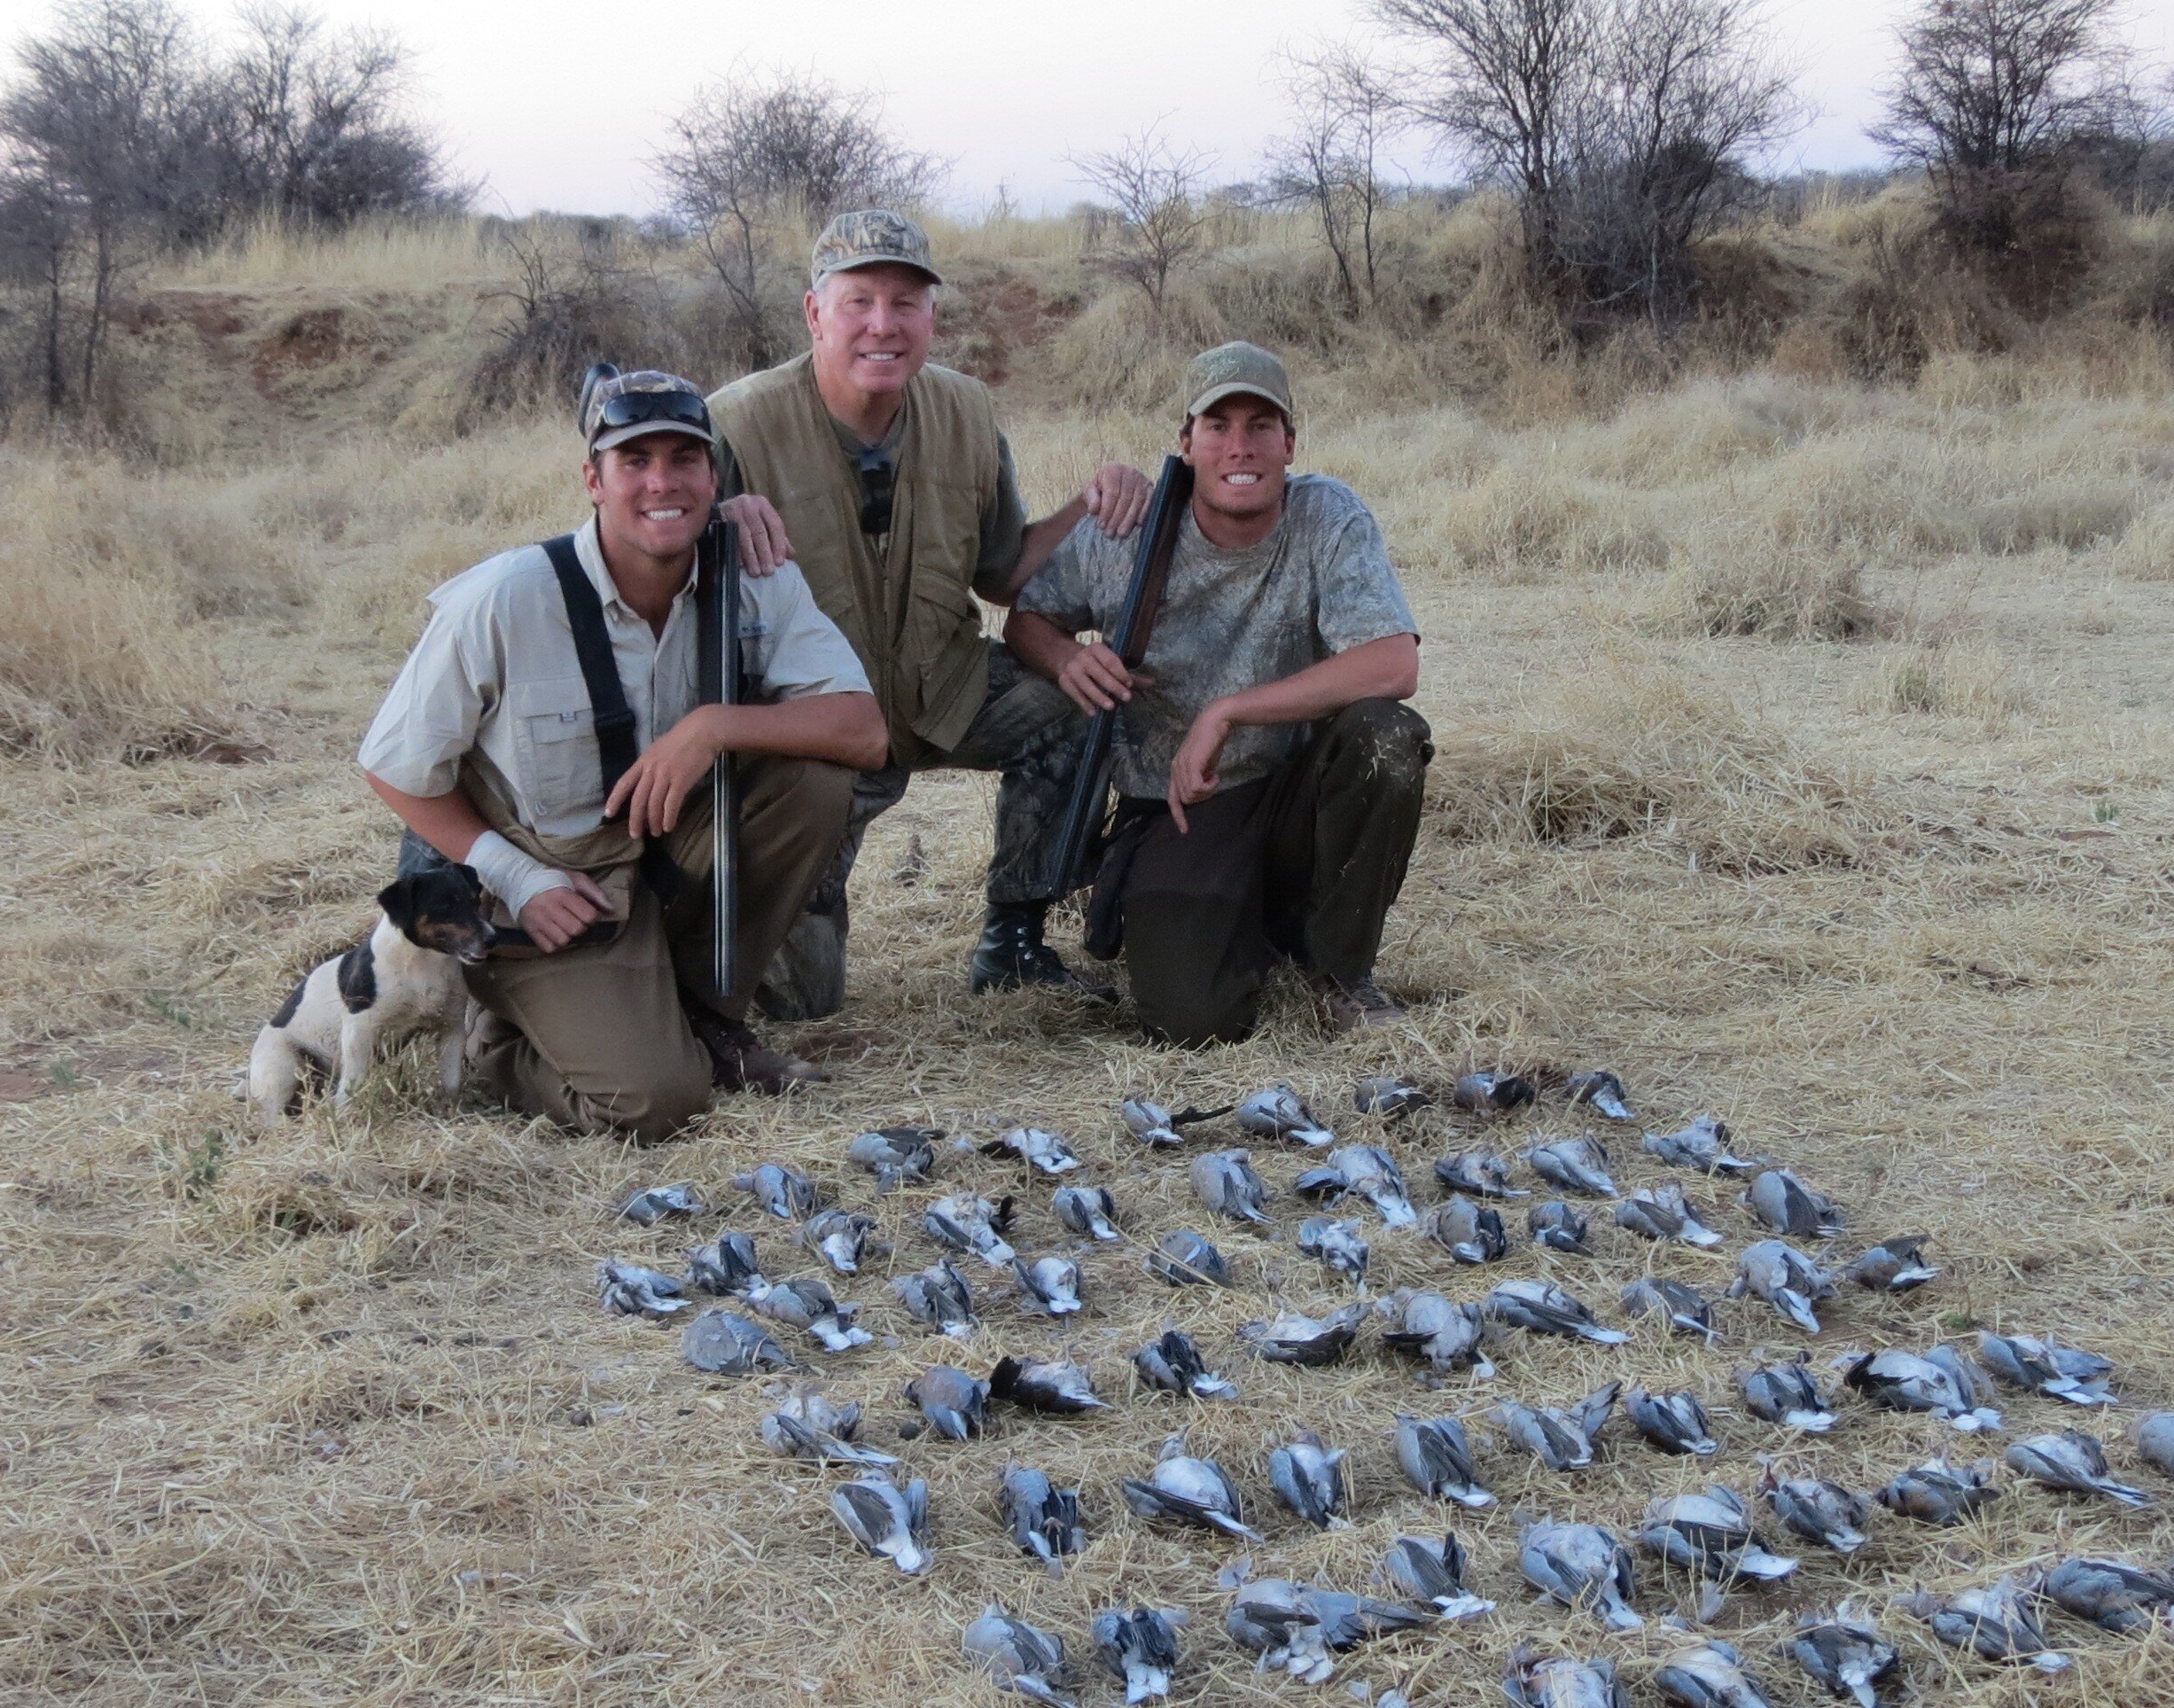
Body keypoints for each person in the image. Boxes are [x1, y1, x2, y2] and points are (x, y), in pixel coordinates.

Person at [355, 368, 884, 1139]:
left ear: (714, 475)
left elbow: (864, 731)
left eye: (684, 458)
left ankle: (704, 1018)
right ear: (592, 480)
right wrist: (519, 877)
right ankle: (501, 1047)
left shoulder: (754, 578)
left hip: (661, 869)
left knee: (813, 778)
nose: (661, 483)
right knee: (654, 1105)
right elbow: (394, 768)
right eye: (635, 461)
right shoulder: (506, 597)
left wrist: (711, 725)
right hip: (553, 892)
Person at [708, 208, 1150, 1018]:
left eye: (906, 303)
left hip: (945, 688)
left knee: (1077, 706)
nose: (884, 324)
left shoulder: (966, 412)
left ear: (932, 318)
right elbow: (643, 565)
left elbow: (1004, 572)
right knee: (798, 1003)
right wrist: (711, 530)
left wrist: (1089, 508)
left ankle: (1014, 938)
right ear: (815, 313)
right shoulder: (733, 422)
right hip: (816, 729)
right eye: (859, 302)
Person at [1003, 340, 1429, 1046]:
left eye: (1261, 426)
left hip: (1292, 787)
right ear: (1186, 443)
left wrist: (1228, 712)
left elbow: (1392, 665)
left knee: (1386, 736)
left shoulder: (1329, 516)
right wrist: (1062, 659)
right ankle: (1246, 923)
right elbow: (1027, 619)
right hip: (1178, 805)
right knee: (1192, 1020)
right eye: (1218, 426)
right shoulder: (1125, 529)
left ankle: (1343, 973)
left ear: (1290, 443)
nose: (1241, 447)